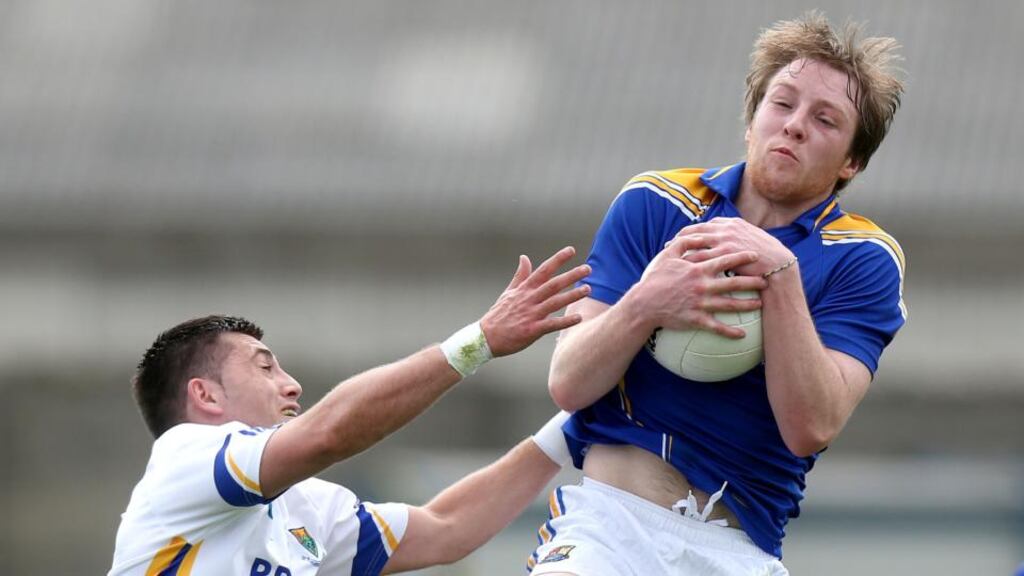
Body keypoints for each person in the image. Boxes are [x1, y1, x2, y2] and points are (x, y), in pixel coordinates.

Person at [532, 12, 906, 576]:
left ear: (852, 162)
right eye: (782, 104)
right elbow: (569, 383)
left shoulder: (865, 258)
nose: (795, 125)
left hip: (737, 550)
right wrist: (647, 302)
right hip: (610, 528)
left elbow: (811, 427)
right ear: (752, 119)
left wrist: (780, 276)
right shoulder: (657, 203)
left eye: (825, 119)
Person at [108, 246, 592, 575]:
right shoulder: (184, 457)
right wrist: (478, 343)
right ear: (206, 396)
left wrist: (575, 425)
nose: (291, 384)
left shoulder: (306, 509)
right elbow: (328, 435)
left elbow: (447, 529)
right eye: (265, 367)